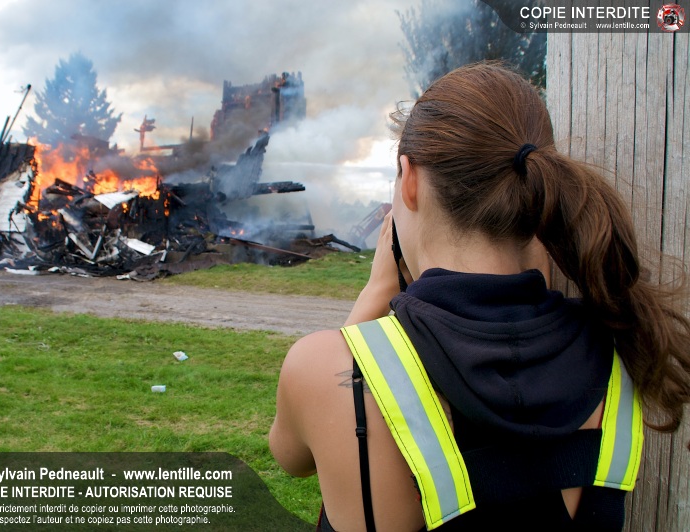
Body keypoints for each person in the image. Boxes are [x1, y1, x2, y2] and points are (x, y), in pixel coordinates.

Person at [269, 62, 690, 531]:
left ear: (409, 180)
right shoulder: (620, 344)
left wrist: (376, 292)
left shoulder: (323, 368)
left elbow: (291, 458)